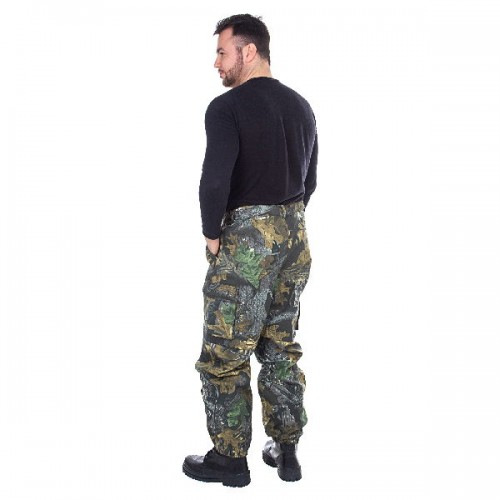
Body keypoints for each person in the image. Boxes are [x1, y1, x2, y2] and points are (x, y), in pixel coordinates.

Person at [182, 13, 318, 487]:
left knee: (225, 351)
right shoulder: (301, 107)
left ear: (249, 51)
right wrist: (282, 225)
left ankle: (230, 459)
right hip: (294, 238)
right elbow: (310, 180)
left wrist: (212, 232)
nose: (216, 63)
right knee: (280, 343)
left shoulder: (227, 107)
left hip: (247, 244)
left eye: (222, 52)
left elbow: (214, 179)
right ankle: (287, 450)